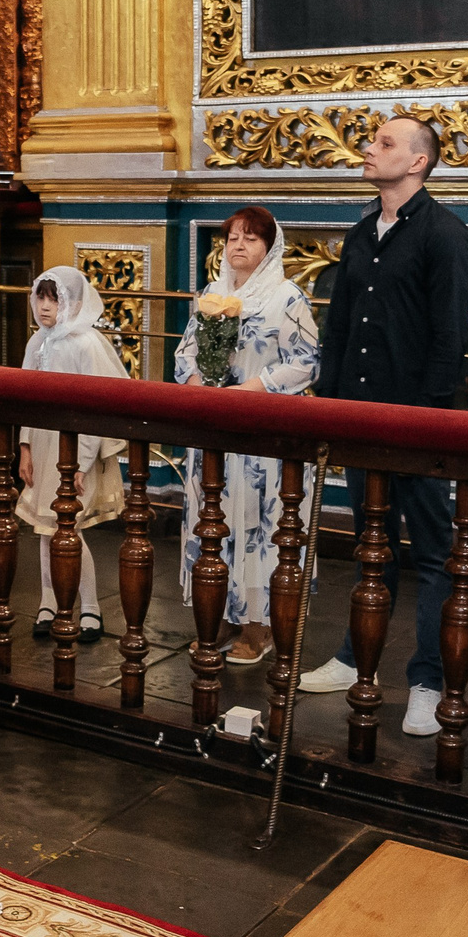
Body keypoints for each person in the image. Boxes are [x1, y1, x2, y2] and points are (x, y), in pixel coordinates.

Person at [300, 115, 468, 735]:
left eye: (384, 143)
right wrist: (331, 402)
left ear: (418, 163)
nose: (368, 150)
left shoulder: (445, 236)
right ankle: (356, 659)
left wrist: (423, 420)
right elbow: (341, 328)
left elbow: (449, 337)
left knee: (433, 553)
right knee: (370, 544)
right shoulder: (358, 235)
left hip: (416, 423)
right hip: (358, 416)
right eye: (372, 140)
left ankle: (427, 682)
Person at [175, 208, 321, 665]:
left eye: (251, 239)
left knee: (260, 525)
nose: (238, 246)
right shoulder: (211, 293)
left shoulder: (287, 296)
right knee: (213, 518)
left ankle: (259, 627)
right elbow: (186, 350)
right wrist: (197, 381)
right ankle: (218, 610)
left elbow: (307, 360)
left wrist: (252, 390)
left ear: (270, 247)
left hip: (264, 433)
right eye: (232, 237)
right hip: (214, 427)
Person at [16, 267, 128, 642]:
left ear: (74, 304)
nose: (44, 307)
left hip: (76, 447)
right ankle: (48, 601)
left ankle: (91, 608)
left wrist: (78, 465)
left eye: (54, 299)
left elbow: (94, 407)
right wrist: (25, 447)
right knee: (46, 530)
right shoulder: (38, 343)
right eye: (40, 298)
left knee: (69, 530)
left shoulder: (86, 344)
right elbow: (26, 400)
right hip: (45, 445)